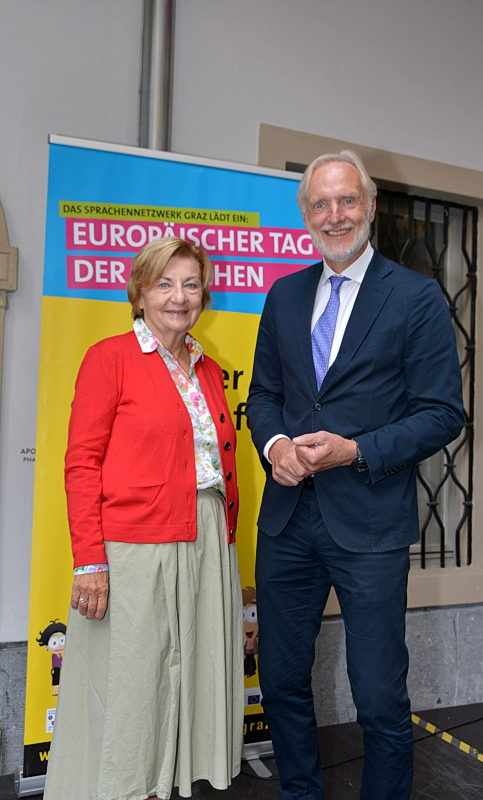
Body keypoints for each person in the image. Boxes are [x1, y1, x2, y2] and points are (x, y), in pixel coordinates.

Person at [246, 150, 465, 800]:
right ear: (305, 215)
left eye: (346, 200)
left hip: (370, 522)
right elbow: (263, 395)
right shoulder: (284, 294)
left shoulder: (417, 297)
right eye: (320, 203)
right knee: (281, 681)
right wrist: (275, 444)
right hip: (287, 519)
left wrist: (356, 450)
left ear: (369, 206)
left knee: (377, 695)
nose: (334, 215)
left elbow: (442, 414)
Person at [44, 237, 243, 800]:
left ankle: (163, 788)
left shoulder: (207, 368)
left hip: (206, 539)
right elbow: (82, 463)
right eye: (164, 284)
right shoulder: (109, 357)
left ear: (204, 295)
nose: (179, 297)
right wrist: (90, 560)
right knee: (132, 689)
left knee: (186, 683)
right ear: (139, 293)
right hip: (135, 547)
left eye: (191, 285)